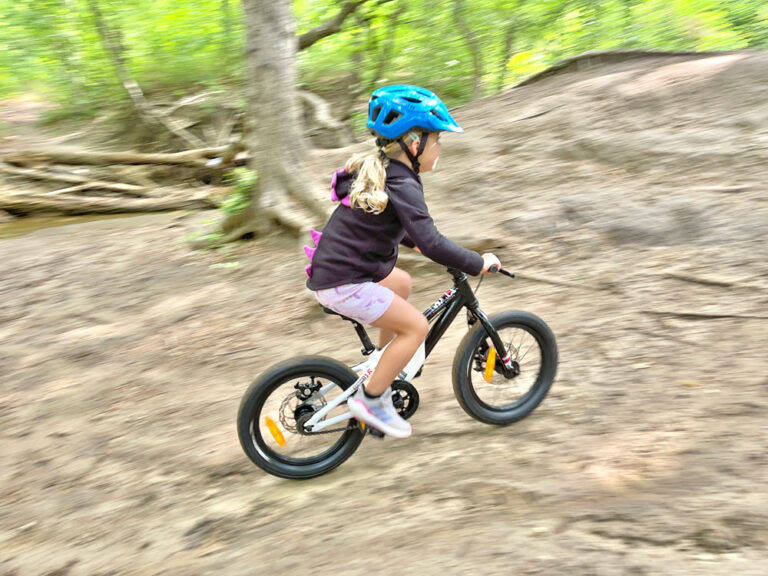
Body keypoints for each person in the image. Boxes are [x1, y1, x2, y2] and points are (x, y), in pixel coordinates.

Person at [304, 85, 501, 439]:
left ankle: (382, 362)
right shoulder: (403, 183)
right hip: (345, 282)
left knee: (401, 283)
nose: (439, 147)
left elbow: (386, 223)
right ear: (414, 143)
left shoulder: (384, 170)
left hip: (339, 271)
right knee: (416, 328)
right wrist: (476, 262)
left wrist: (420, 245)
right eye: (436, 139)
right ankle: (371, 401)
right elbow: (432, 240)